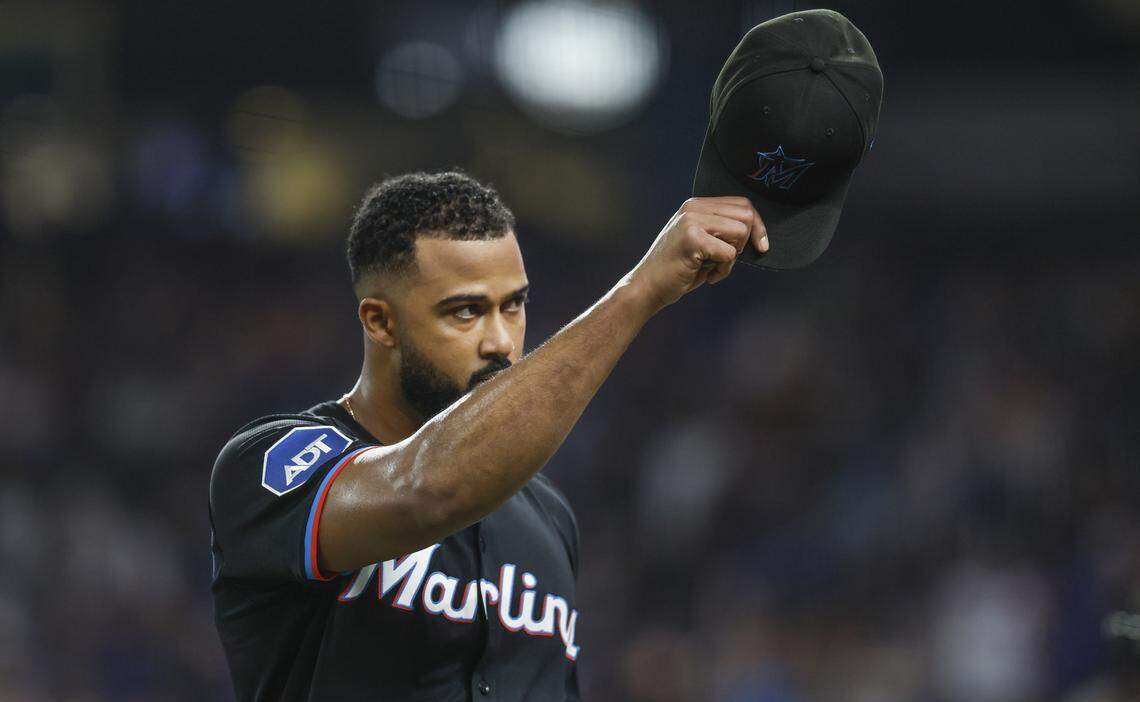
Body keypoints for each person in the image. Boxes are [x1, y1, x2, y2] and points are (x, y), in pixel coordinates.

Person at [208, 170, 768, 701]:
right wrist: (637, 292)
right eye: (466, 312)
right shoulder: (268, 464)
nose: (500, 341)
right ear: (381, 322)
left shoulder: (548, 515)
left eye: (514, 306)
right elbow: (428, 491)